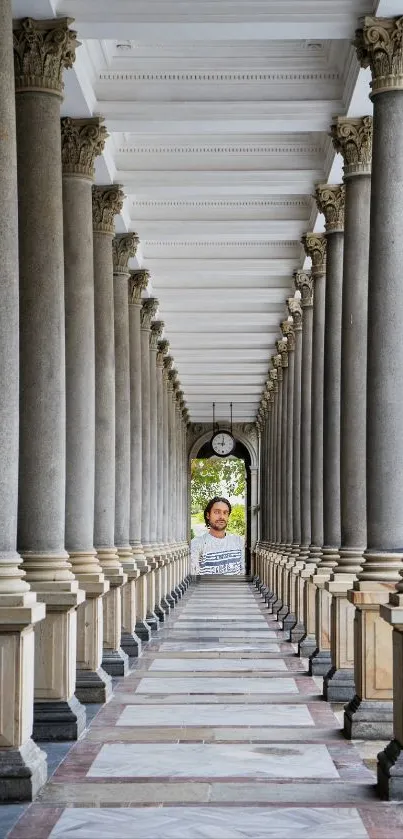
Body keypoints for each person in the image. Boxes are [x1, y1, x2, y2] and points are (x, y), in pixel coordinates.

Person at [191, 496, 244, 576]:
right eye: (217, 512)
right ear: (208, 515)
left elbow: (244, 572)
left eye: (225, 512)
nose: (222, 517)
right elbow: (193, 576)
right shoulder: (197, 543)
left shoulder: (238, 541)